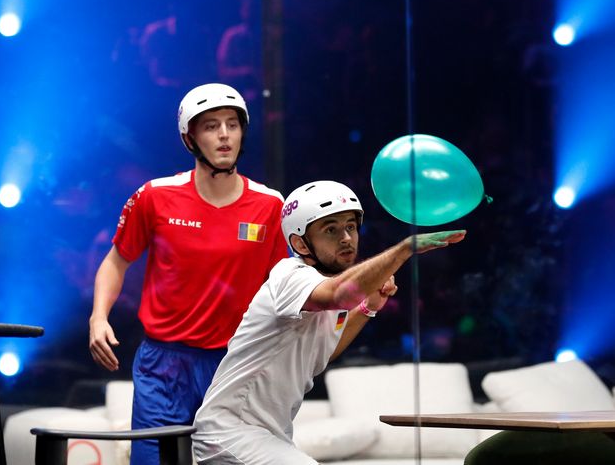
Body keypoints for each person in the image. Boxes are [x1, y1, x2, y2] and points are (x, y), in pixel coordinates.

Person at [192, 180, 466, 464]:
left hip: (269, 435)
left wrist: (369, 308)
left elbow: (322, 353)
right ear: (300, 243)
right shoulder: (291, 275)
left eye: (350, 226)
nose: (346, 237)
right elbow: (341, 294)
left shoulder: (326, 293)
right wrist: (403, 249)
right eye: (331, 229)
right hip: (229, 432)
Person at [89, 83, 289, 465]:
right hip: (163, 366)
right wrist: (98, 318)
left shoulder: (270, 205)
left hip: (235, 365)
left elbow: (289, 285)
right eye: (212, 126)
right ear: (190, 138)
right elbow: (116, 261)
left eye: (233, 124)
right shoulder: (154, 196)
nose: (225, 134)